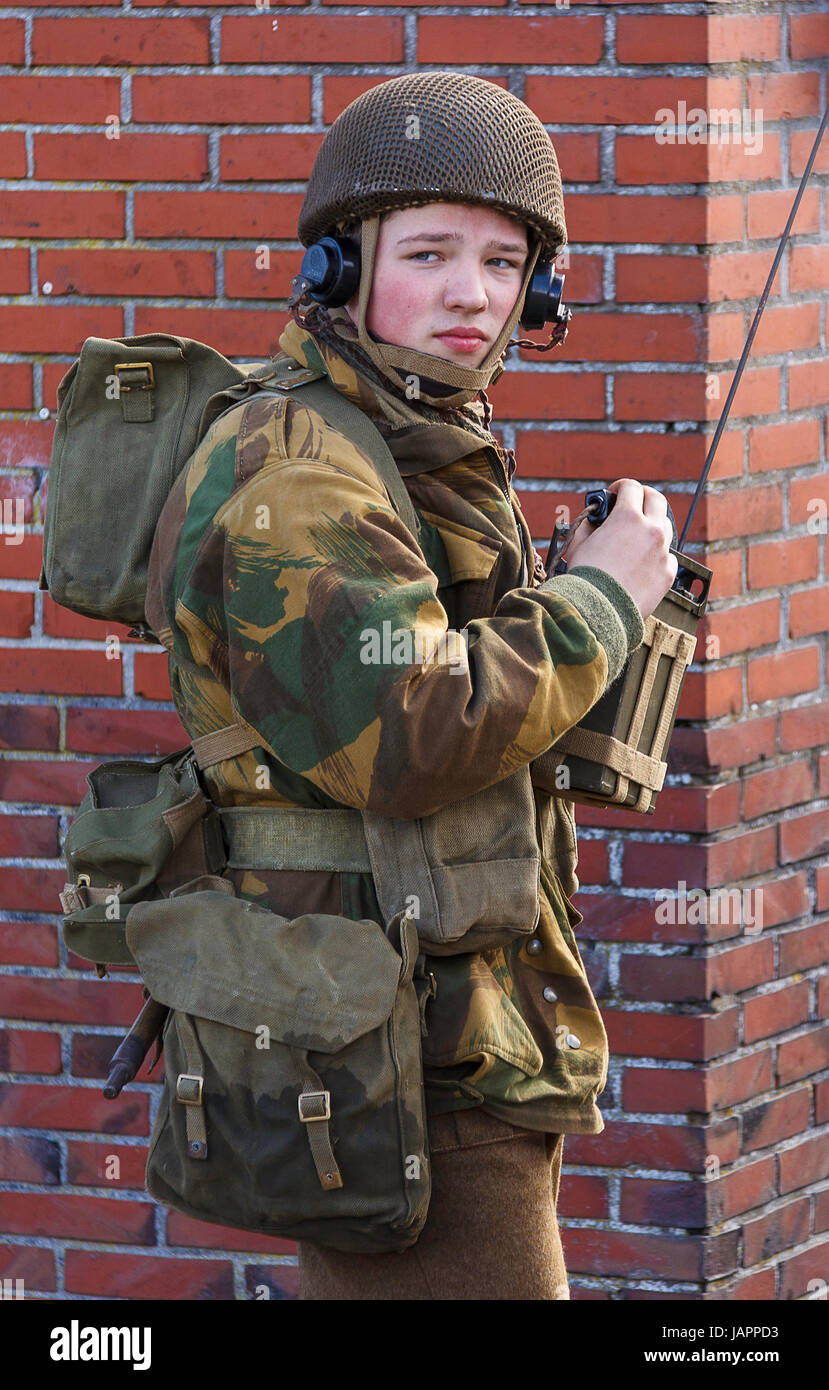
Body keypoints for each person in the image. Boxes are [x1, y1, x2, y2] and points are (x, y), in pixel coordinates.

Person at [145, 70, 677, 1300]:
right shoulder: (301, 466)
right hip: (413, 1071)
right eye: (429, 252)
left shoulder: (410, 436)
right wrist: (599, 599)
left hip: (451, 1033)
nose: (471, 295)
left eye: (504, 263)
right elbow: (411, 727)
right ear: (338, 267)